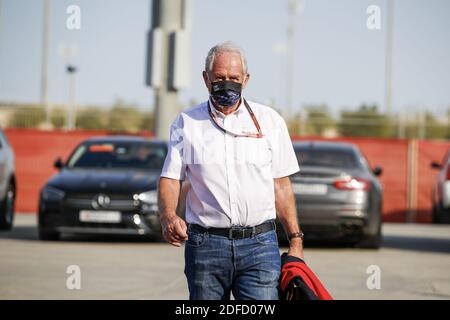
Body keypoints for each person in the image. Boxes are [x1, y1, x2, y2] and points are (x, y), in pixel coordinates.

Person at [158, 42, 304, 300]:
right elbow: (171, 178)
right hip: (205, 247)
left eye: (234, 78)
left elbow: (281, 186)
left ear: (246, 79)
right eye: (220, 78)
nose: (227, 84)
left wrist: (295, 241)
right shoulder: (187, 123)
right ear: (206, 79)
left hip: (260, 246)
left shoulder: (270, 121)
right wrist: (168, 215)